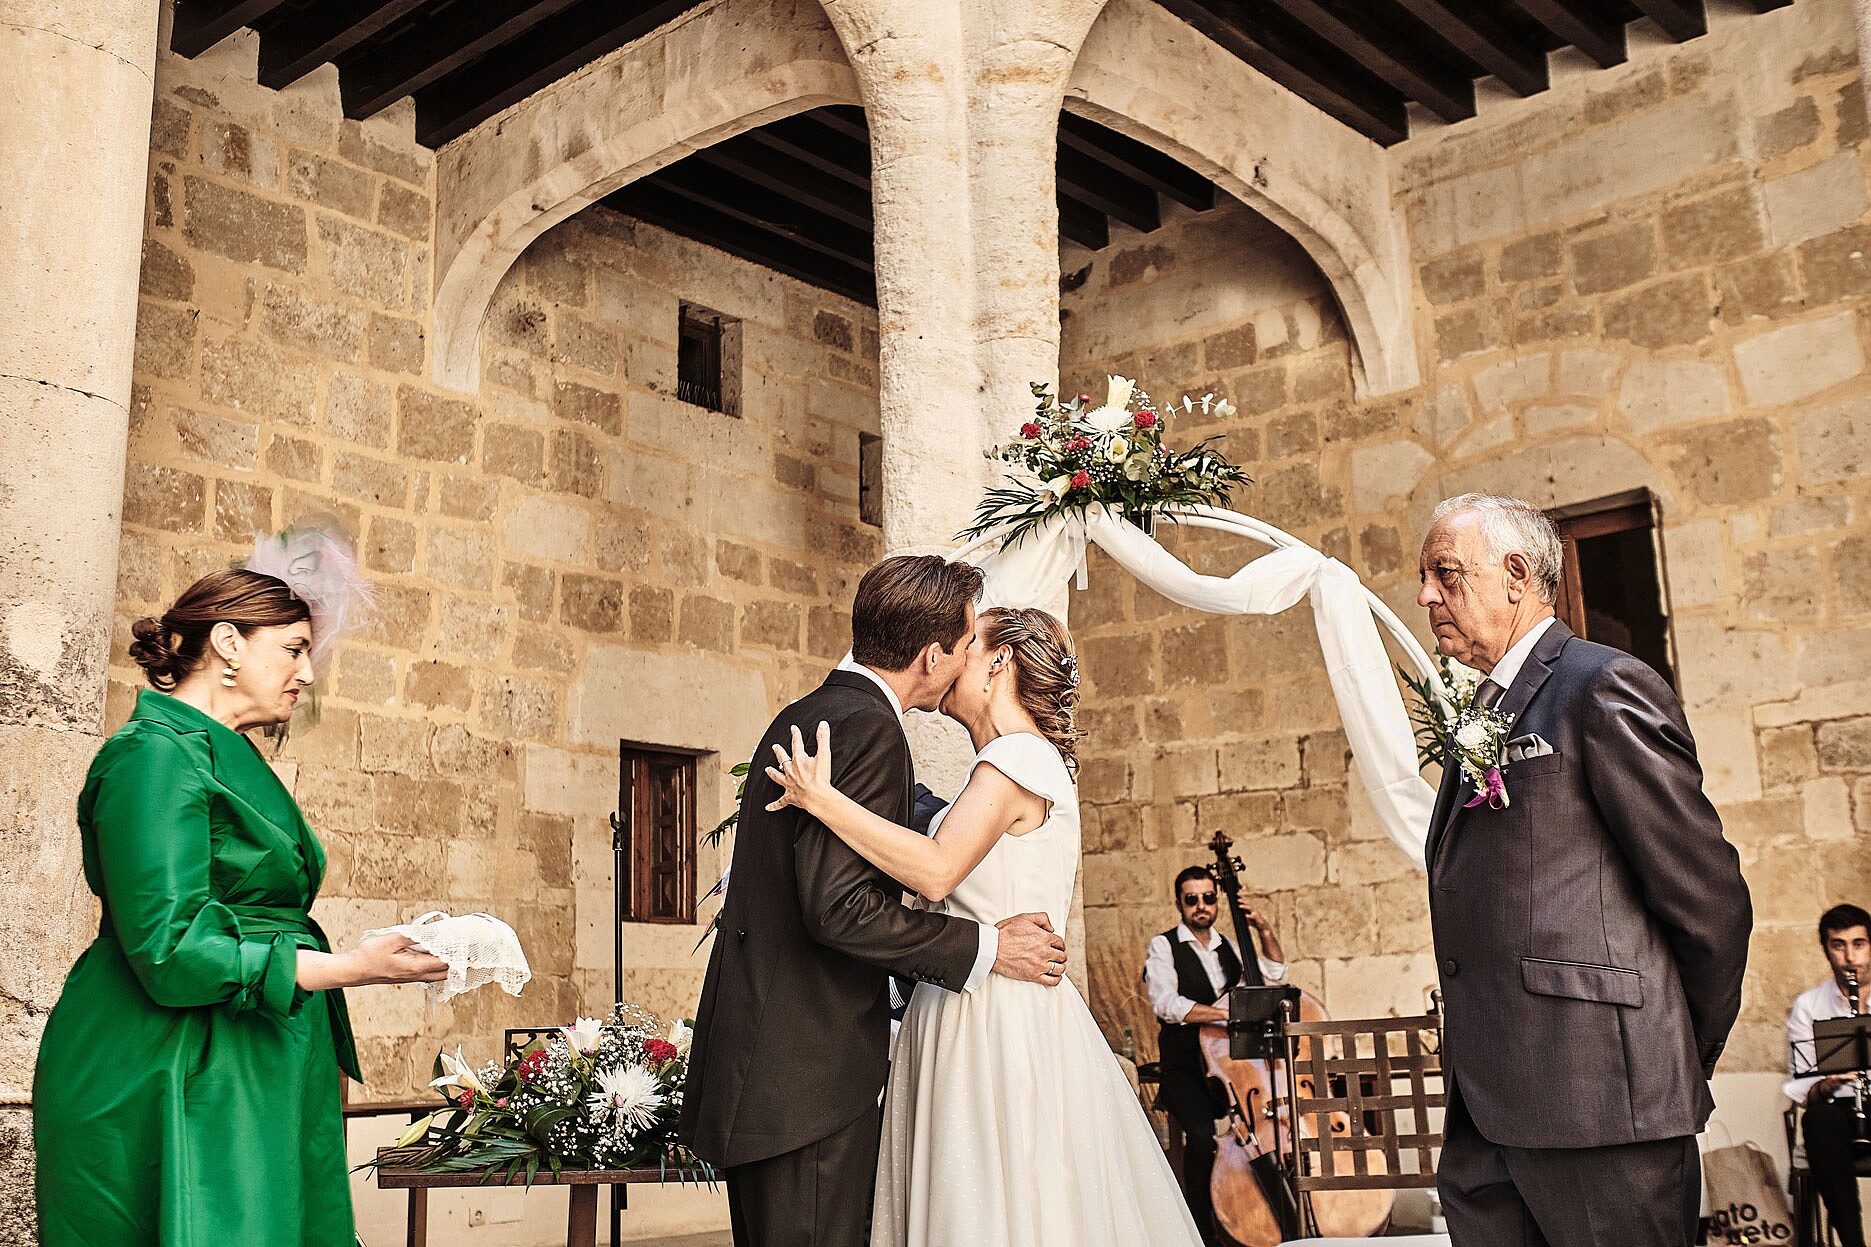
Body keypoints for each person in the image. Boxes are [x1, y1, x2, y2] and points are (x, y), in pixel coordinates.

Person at [32, 566, 448, 1246]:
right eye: (293, 648)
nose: (307, 673)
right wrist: (349, 967)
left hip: (251, 1051)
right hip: (172, 1063)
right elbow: (170, 949)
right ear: (227, 642)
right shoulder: (153, 756)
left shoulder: (219, 753)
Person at [766, 605, 1205, 1247]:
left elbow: (938, 872)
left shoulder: (1017, 760)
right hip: (973, 1000)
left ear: (1000, 662)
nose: (949, 656)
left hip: (993, 1020)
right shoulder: (1013, 765)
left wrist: (821, 797)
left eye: (967, 644)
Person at [678, 556, 1067, 1247]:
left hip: (777, 1066)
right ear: (932, 654)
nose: (968, 655)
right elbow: (840, 908)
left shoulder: (811, 714)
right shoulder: (867, 728)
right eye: (965, 640)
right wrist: (987, 945)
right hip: (806, 1079)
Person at [1415, 492, 1752, 1247]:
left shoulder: (1600, 686)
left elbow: (1708, 900)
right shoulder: (1482, 711)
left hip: (1602, 1104)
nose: (1424, 594)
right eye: (1424, 576)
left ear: (1513, 575)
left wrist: (1664, 1052)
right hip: (1488, 1115)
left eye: (1443, 572)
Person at [1142, 865, 1288, 1242]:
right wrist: (1227, 1015)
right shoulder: (1164, 946)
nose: (1201, 906)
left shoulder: (1231, 947)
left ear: (1216, 900)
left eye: (1208, 897)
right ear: (1179, 903)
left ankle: (1269, 1218)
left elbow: (1274, 973)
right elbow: (1166, 1003)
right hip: (1187, 1068)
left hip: (1232, 1071)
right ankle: (1200, 1232)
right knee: (1203, 1137)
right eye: (1192, 899)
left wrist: (1264, 930)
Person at [1785, 902, 1870, 1247]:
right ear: (1826, 950)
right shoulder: (1809, 1005)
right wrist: (1830, 1081)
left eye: (1859, 944)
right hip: (1839, 1114)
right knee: (1818, 1120)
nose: (1850, 957)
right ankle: (1852, 1241)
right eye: (1839, 945)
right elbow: (1803, 1087)